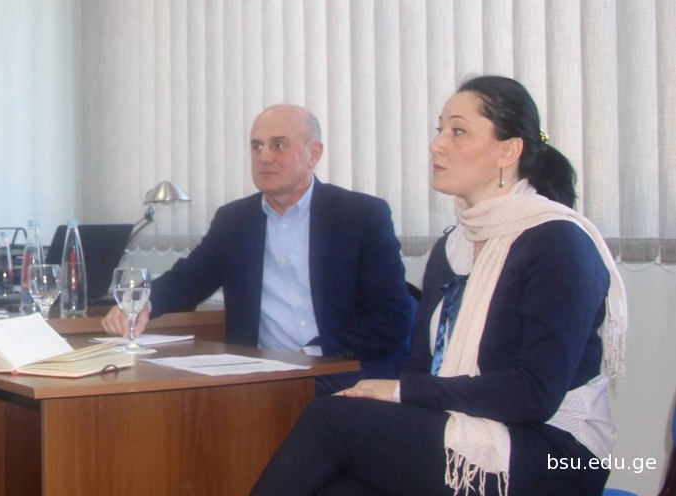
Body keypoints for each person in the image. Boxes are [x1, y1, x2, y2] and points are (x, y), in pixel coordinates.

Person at [251, 76, 628, 496]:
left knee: (329, 420)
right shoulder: (453, 248)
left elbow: (533, 394)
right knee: (338, 487)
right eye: (439, 130)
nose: (436, 145)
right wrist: (396, 395)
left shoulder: (558, 242)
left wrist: (399, 391)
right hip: (463, 425)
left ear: (508, 151)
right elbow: (420, 366)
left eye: (458, 131)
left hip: (554, 450)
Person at [102, 104, 413, 396]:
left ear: (314, 154)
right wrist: (144, 303)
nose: (264, 156)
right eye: (257, 146)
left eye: (279, 145)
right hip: (262, 374)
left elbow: (392, 317)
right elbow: (189, 279)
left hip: (343, 369)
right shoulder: (235, 220)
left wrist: (315, 352)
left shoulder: (360, 216)